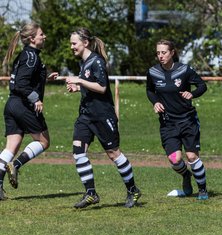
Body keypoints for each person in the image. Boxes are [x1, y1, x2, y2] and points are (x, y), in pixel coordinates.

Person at [65, 27, 141, 208]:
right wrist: (78, 88)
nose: (71, 47)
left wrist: (80, 81)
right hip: (86, 116)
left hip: (102, 116)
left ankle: (133, 189)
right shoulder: (83, 63)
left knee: (113, 154)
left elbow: (102, 87)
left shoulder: (97, 61)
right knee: (78, 151)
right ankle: (91, 193)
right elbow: (90, 88)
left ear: (85, 43)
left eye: (74, 43)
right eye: (71, 44)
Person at [0, 22, 58, 200]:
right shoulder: (32, 56)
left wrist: (44, 78)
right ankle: (15, 165)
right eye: (41, 34)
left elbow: (24, 79)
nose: (44, 36)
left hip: (12, 104)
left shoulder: (25, 55)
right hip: (23, 105)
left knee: (12, 146)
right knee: (44, 141)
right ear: (32, 38)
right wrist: (36, 98)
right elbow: (21, 83)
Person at [146, 39, 209, 200]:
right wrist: (156, 102)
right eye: (158, 53)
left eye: (164, 52)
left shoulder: (184, 70)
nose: (160, 56)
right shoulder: (153, 72)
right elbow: (150, 91)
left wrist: (192, 94)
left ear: (172, 52)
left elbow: (202, 86)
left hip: (188, 120)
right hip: (168, 123)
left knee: (192, 157)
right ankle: (186, 176)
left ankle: (202, 189)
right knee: (175, 159)